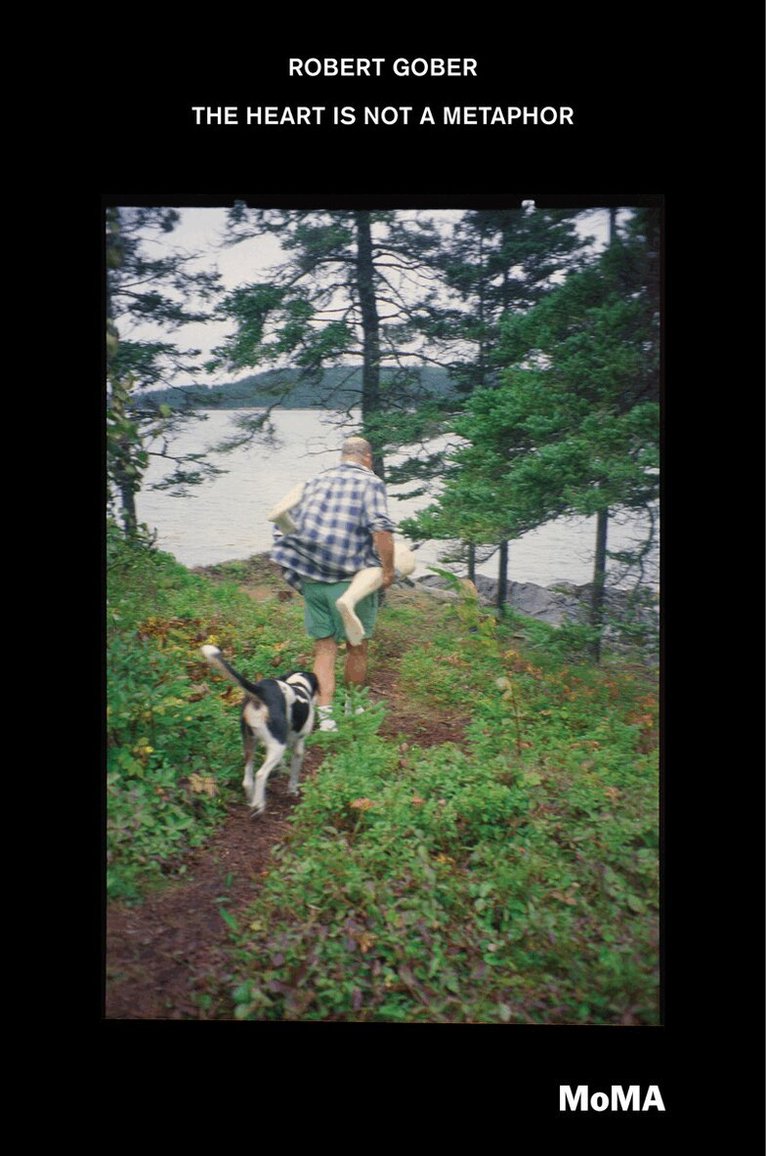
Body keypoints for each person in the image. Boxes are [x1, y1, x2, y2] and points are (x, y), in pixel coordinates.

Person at [268, 437, 408, 731]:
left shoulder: (315, 480)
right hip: (350, 580)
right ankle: (354, 706)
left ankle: (326, 717)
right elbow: (381, 529)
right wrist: (388, 571)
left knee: (324, 648)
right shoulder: (371, 483)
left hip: (312, 578)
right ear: (367, 458)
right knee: (356, 647)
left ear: (342, 456)